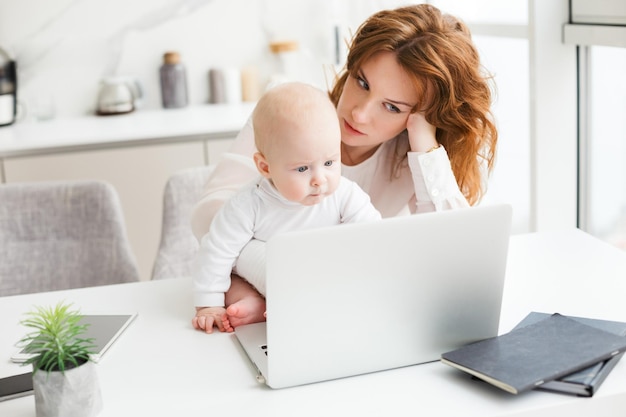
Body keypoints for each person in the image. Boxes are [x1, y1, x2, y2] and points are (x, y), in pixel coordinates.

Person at [191, 4, 498, 330]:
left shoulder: (412, 154)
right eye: (362, 83)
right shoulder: (291, 118)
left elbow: (451, 254)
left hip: (343, 306)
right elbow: (208, 215)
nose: (359, 114)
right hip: (282, 299)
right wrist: (272, 275)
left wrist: (425, 144)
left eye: (392, 106)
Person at [192, 82, 381, 333]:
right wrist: (208, 304)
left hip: (323, 279)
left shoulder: (345, 194)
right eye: (302, 168)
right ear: (265, 167)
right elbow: (217, 251)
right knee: (233, 275)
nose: (319, 179)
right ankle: (256, 302)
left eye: (329, 162)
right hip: (268, 280)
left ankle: (279, 305)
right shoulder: (248, 204)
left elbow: (376, 237)